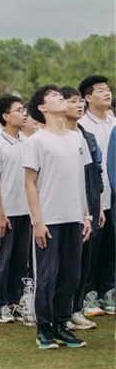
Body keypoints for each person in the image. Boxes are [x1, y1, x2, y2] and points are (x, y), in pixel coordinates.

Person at [23, 85, 91, 349]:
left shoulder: (77, 138)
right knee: (47, 275)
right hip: (48, 219)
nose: (61, 98)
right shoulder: (35, 141)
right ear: (42, 107)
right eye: (54, 96)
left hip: (73, 217)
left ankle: (63, 325)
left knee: (71, 274)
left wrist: (85, 214)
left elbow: (80, 180)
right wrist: (37, 221)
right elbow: (30, 183)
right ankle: (44, 328)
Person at [0, 96, 31, 324]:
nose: (24, 114)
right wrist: (0, 214)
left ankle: (14, 302)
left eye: (24, 110)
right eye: (18, 110)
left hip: (26, 211)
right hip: (6, 212)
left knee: (20, 261)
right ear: (5, 116)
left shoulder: (27, 142)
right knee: (2, 260)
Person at [61, 87, 101, 329]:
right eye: (73, 101)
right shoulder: (55, 136)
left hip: (88, 207)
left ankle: (76, 308)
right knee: (64, 264)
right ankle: (61, 313)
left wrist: (98, 209)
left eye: (80, 102)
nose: (79, 106)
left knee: (83, 262)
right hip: (63, 209)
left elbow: (96, 174)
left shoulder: (87, 137)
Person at [77, 75, 116, 315]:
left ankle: (106, 291)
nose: (107, 92)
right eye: (101, 90)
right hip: (92, 194)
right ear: (88, 97)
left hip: (114, 194)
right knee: (92, 245)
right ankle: (88, 293)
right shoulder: (82, 126)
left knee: (111, 245)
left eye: (108, 89)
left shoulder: (114, 122)